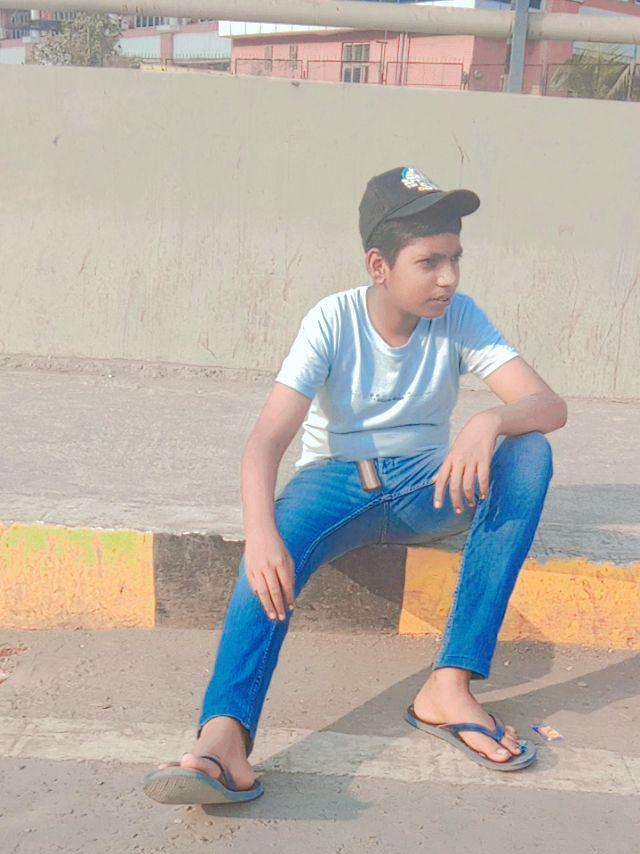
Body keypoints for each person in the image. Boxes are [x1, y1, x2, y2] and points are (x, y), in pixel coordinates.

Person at [143, 165, 567, 804]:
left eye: (455, 259)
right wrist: (261, 534)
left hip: (428, 485)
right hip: (334, 486)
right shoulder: (332, 320)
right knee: (273, 555)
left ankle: (448, 687)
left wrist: (490, 420)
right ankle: (223, 736)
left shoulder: (460, 317)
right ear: (379, 266)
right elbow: (265, 442)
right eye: (429, 262)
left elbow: (548, 405)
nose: (448, 278)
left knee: (529, 453)